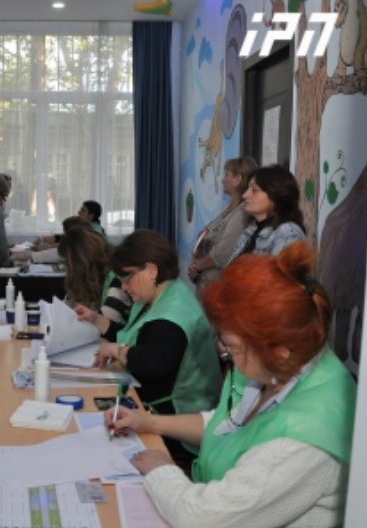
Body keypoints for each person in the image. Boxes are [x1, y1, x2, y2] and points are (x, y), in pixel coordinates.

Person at [109, 242, 356, 527]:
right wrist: (147, 422)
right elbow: (225, 425)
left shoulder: (303, 441)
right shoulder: (282, 365)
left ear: (278, 352)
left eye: (232, 347)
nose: (224, 353)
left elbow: (200, 519)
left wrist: (161, 469)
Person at [87, 229, 222, 466]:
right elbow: (130, 335)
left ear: (151, 270)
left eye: (127, 278)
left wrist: (118, 350)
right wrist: (96, 320)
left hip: (178, 426)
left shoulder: (172, 315)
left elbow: (153, 363)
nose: (124, 287)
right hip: (154, 409)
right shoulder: (160, 296)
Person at [188, 156, 257, 289]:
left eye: (227, 175)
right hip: (207, 281)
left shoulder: (243, 212)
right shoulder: (230, 207)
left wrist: (197, 266)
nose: (222, 180)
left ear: (238, 179)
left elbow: (223, 252)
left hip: (218, 284)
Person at [58, 225, 131, 340]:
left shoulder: (118, 278)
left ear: (79, 264)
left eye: (67, 262)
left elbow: (106, 321)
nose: (65, 268)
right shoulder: (94, 277)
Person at [228, 164, 306, 261]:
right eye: (247, 189)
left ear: (276, 195)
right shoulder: (252, 229)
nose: (245, 195)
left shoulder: (288, 233)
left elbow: (280, 270)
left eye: (254, 190)